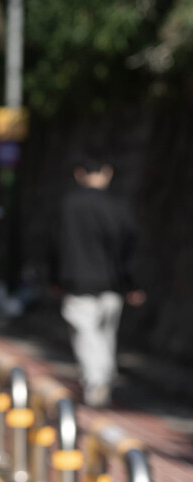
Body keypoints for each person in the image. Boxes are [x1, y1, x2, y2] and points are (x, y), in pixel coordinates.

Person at [52, 156, 144, 408]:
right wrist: (133, 284)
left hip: (78, 282)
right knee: (105, 335)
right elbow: (130, 250)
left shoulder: (68, 206)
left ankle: (96, 380)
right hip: (112, 284)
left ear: (79, 174)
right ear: (107, 172)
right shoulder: (119, 208)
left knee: (85, 333)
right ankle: (104, 377)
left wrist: (55, 279)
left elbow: (55, 245)